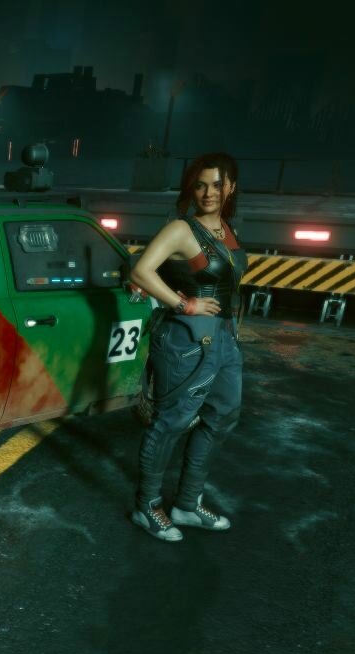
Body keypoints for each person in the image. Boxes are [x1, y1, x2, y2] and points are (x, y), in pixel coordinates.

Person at [128, 151, 249, 542]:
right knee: (172, 422)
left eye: (217, 184)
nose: (208, 192)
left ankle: (186, 504)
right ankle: (147, 507)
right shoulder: (182, 229)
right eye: (200, 185)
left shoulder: (226, 229)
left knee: (222, 417)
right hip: (187, 341)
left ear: (231, 187)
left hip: (224, 339)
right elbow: (140, 270)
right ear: (190, 189)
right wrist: (184, 304)